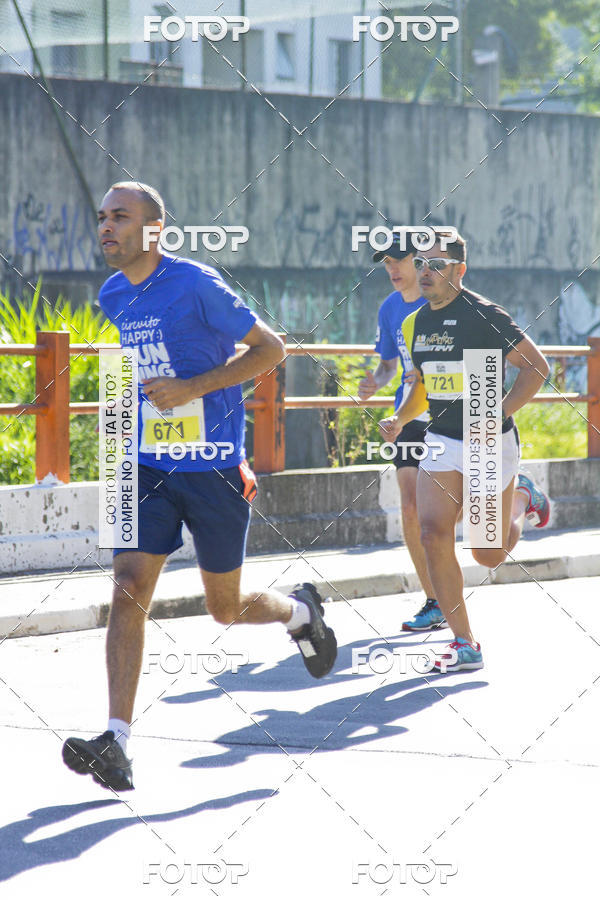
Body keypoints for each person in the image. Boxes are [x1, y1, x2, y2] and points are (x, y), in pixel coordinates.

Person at [62, 182, 337, 791]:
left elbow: (270, 350)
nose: (106, 227)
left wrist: (194, 389)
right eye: (102, 217)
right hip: (145, 465)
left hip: (212, 467)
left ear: (154, 229)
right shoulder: (112, 294)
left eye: (120, 217)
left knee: (224, 606)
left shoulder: (197, 283)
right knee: (129, 586)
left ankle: (299, 611)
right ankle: (117, 739)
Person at [379, 232, 550, 672]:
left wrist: (498, 414)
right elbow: (424, 387)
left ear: (460, 269)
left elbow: (536, 368)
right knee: (433, 532)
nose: (425, 273)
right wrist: (400, 418)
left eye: (436, 264)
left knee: (486, 553)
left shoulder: (483, 315)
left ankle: (522, 499)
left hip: (489, 440)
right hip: (441, 440)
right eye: (421, 264)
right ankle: (464, 642)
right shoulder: (413, 323)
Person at [359, 236, 445, 632]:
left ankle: (515, 489)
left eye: (400, 261)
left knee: (454, 509)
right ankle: (434, 601)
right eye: (386, 263)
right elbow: (389, 365)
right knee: (411, 508)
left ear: (419, 262)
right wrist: (375, 382)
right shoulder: (390, 308)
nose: (393, 270)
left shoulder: (440, 300)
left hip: (447, 412)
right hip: (408, 415)